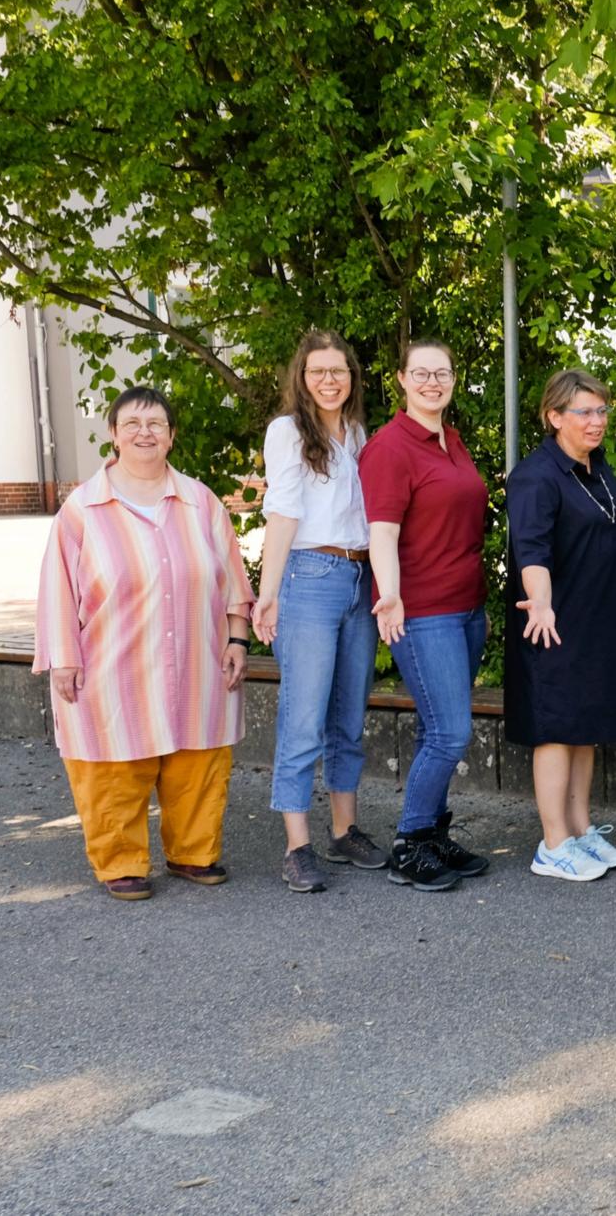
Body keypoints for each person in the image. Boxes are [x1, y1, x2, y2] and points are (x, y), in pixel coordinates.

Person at [32, 386, 255, 900]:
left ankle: (193, 853)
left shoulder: (200, 502)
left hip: (198, 664)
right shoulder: (82, 509)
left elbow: (233, 581)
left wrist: (238, 640)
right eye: (132, 423)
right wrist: (63, 659)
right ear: (113, 435)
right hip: (113, 668)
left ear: (172, 437)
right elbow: (57, 591)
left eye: (155, 424)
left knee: (197, 762)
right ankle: (120, 863)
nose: (144, 433)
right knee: (113, 767)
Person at [252, 331, 386, 894]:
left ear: (352, 377)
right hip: (309, 575)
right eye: (317, 371)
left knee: (348, 717)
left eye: (338, 370)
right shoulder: (287, 432)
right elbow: (282, 513)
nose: (329, 380)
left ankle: (344, 829)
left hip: (359, 578)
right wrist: (269, 590)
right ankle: (297, 845)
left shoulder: (357, 433)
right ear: (301, 378)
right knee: (303, 718)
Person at [506, 369, 616, 881]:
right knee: (557, 729)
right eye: (584, 412)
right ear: (554, 417)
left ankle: (580, 829)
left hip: (598, 618)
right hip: (553, 622)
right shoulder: (536, 476)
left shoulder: (596, 468)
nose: (596, 421)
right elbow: (531, 547)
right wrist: (540, 602)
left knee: (585, 727)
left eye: (601, 411)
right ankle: (552, 844)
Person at [360, 339, 492, 892]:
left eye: (442, 372)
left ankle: (434, 833)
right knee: (451, 730)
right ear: (401, 380)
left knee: (434, 728)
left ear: (453, 379)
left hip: (467, 608)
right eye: (421, 373)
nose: (432, 382)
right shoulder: (390, 447)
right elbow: (382, 533)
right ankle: (409, 843)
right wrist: (390, 594)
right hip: (424, 611)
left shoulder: (451, 441)